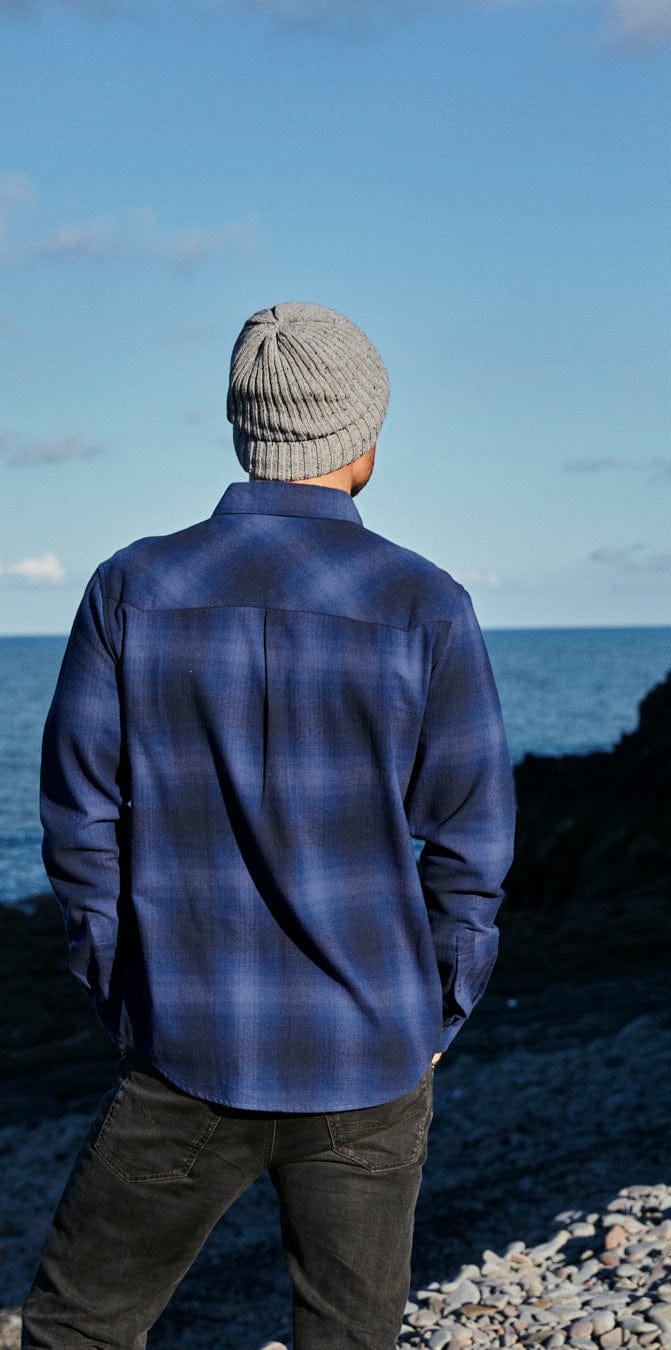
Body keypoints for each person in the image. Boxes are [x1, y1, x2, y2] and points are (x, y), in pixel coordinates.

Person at [23, 302, 516, 1350]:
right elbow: (473, 843)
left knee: (77, 1333)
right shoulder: (427, 604)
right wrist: (438, 1009)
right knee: (349, 1338)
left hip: (185, 1043)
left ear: (246, 430)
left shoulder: (131, 588)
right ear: (362, 441)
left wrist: (124, 990)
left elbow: (78, 821)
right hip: (373, 1049)